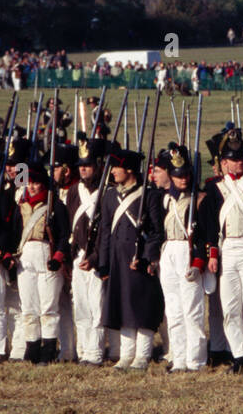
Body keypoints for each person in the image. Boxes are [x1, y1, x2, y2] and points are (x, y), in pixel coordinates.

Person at [200, 125, 243, 373]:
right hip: (227, 248)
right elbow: (209, 225)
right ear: (223, 163)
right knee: (230, 307)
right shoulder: (215, 188)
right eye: (233, 159)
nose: (239, 162)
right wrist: (213, 254)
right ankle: (238, 356)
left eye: (241, 158)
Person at [96, 145, 164, 371]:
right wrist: (103, 262)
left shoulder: (149, 195)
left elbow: (156, 231)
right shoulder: (109, 196)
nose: (113, 171)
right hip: (117, 257)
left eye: (117, 167)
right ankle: (126, 355)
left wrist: (147, 257)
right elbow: (105, 231)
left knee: (142, 307)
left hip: (139, 258)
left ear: (130, 171)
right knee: (122, 305)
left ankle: (142, 355)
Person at [12, 156, 72, 365]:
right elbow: (14, 233)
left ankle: (48, 351)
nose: (33, 186)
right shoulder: (21, 205)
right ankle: (32, 348)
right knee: (29, 307)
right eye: (29, 182)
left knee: (48, 308)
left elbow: (65, 235)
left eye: (37, 182)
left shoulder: (55, 206)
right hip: (25, 258)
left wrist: (58, 257)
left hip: (47, 256)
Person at [157, 142, 207, 372]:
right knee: (174, 311)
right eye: (178, 175)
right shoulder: (165, 199)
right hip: (169, 252)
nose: (183, 179)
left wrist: (198, 262)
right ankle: (178, 359)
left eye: (186, 175)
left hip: (188, 252)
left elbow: (203, 235)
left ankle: (195, 360)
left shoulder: (198, 199)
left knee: (192, 311)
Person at [69, 134, 109, 365]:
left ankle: (95, 352)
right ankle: (83, 350)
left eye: (88, 166)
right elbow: (70, 225)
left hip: (95, 258)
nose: (84, 170)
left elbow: (105, 230)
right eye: (81, 166)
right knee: (81, 308)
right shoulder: (75, 191)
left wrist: (94, 257)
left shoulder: (105, 192)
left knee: (97, 308)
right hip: (77, 256)